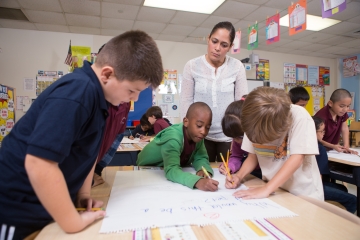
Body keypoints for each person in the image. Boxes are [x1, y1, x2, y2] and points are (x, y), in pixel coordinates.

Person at [0, 30, 163, 239]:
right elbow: (39, 163)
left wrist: (82, 195)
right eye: (132, 91)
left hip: (48, 209)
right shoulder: (78, 91)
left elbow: (88, 153)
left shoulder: (100, 99)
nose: (134, 98)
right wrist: (72, 221)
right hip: (17, 211)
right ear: (106, 74)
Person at [225, 87, 324, 201]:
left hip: (302, 192)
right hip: (275, 189)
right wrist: (239, 176)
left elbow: (297, 158)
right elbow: (253, 155)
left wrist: (267, 189)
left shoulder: (299, 116)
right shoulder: (252, 118)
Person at [180, 21, 248, 162]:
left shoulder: (237, 67)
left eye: (224, 45)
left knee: (228, 174)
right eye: (214, 41)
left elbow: (242, 103)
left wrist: (240, 135)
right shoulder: (192, 66)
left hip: (229, 136)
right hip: (200, 135)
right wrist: (186, 133)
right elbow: (186, 100)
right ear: (208, 38)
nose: (217, 48)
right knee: (202, 173)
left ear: (230, 47)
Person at [137, 102, 219, 191]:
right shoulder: (173, 138)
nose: (203, 131)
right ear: (186, 122)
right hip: (146, 170)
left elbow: (200, 157)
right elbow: (172, 170)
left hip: (165, 168)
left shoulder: (197, 135)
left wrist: (203, 169)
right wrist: (197, 181)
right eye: (199, 125)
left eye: (207, 127)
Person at [92, 43, 131, 188]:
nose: (134, 97)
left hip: (89, 173)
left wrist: (97, 169)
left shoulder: (125, 102)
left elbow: (117, 136)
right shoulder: (87, 95)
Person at [312, 116, 357, 213]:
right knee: (353, 200)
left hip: (305, 183)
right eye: (322, 131)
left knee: (342, 188)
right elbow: (318, 178)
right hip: (313, 186)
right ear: (313, 132)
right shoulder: (319, 149)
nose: (323, 134)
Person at [220, 98, 262, 179]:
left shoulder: (260, 137)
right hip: (251, 173)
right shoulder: (237, 138)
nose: (236, 141)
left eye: (240, 137)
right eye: (233, 137)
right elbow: (236, 156)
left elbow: (255, 157)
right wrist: (230, 166)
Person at [314, 89, 357, 154]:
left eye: (348, 106)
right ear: (330, 103)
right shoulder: (321, 116)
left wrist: (346, 147)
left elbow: (344, 128)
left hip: (332, 150)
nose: (345, 109)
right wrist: (333, 146)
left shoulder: (341, 112)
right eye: (341, 106)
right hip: (319, 149)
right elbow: (316, 138)